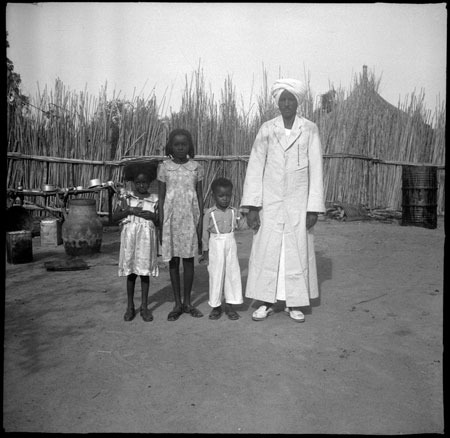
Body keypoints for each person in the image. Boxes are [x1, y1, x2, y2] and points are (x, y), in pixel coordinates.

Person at [240, 78, 325, 323]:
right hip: (271, 200)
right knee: (268, 248)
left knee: (296, 249)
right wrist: (253, 206)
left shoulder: (309, 129)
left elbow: (316, 169)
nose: (286, 103)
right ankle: (266, 301)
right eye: (282, 99)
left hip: (298, 201)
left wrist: (313, 208)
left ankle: (294, 302)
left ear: (298, 102)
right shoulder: (267, 129)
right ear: (277, 103)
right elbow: (255, 167)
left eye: (291, 99)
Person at [157, 128, 204, 321]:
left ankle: (188, 302)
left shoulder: (196, 167)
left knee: (188, 261)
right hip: (171, 220)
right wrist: (161, 223)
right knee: (174, 261)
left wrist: (200, 224)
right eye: (176, 144)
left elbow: (200, 196)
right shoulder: (164, 167)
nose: (180, 147)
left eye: (184, 144)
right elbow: (161, 198)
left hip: (190, 220)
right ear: (170, 146)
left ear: (189, 146)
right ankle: (177, 303)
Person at [113, 159, 160, 322]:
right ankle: (130, 306)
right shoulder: (127, 198)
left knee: (144, 273)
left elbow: (160, 221)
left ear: (149, 183)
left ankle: (145, 307)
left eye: (144, 182)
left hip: (146, 242)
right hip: (130, 241)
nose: (141, 185)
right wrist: (128, 211)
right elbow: (114, 217)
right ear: (133, 183)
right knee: (131, 273)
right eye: (138, 182)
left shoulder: (155, 199)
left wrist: (153, 216)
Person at [199, 177, 243, 320]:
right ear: (213, 196)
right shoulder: (209, 213)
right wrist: (205, 252)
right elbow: (205, 233)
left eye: (228, 195)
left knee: (232, 273)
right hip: (215, 244)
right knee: (216, 274)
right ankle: (216, 306)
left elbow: (241, 226)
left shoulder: (233, 212)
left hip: (230, 243)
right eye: (221, 195)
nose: (225, 199)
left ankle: (230, 305)